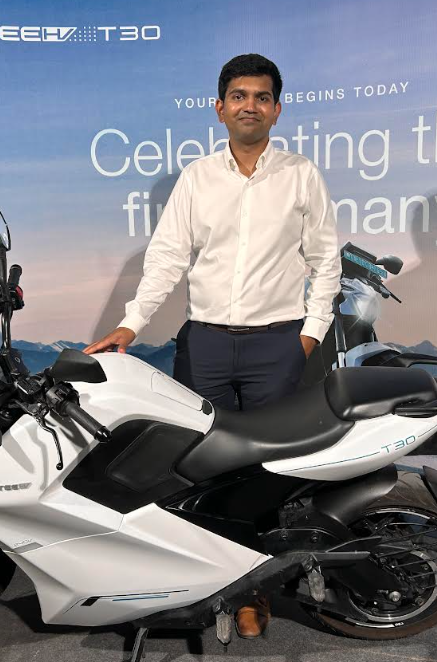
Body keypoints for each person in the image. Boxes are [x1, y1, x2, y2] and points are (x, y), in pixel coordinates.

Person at [84, 54, 341, 637]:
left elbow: (326, 262)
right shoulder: (197, 178)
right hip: (204, 346)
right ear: (220, 107)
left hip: (278, 345)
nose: (250, 106)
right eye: (239, 96)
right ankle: (204, 583)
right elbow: (166, 260)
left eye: (261, 97)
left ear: (277, 109)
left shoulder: (301, 174)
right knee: (200, 469)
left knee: (265, 472)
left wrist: (310, 335)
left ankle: (253, 593)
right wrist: (130, 325)